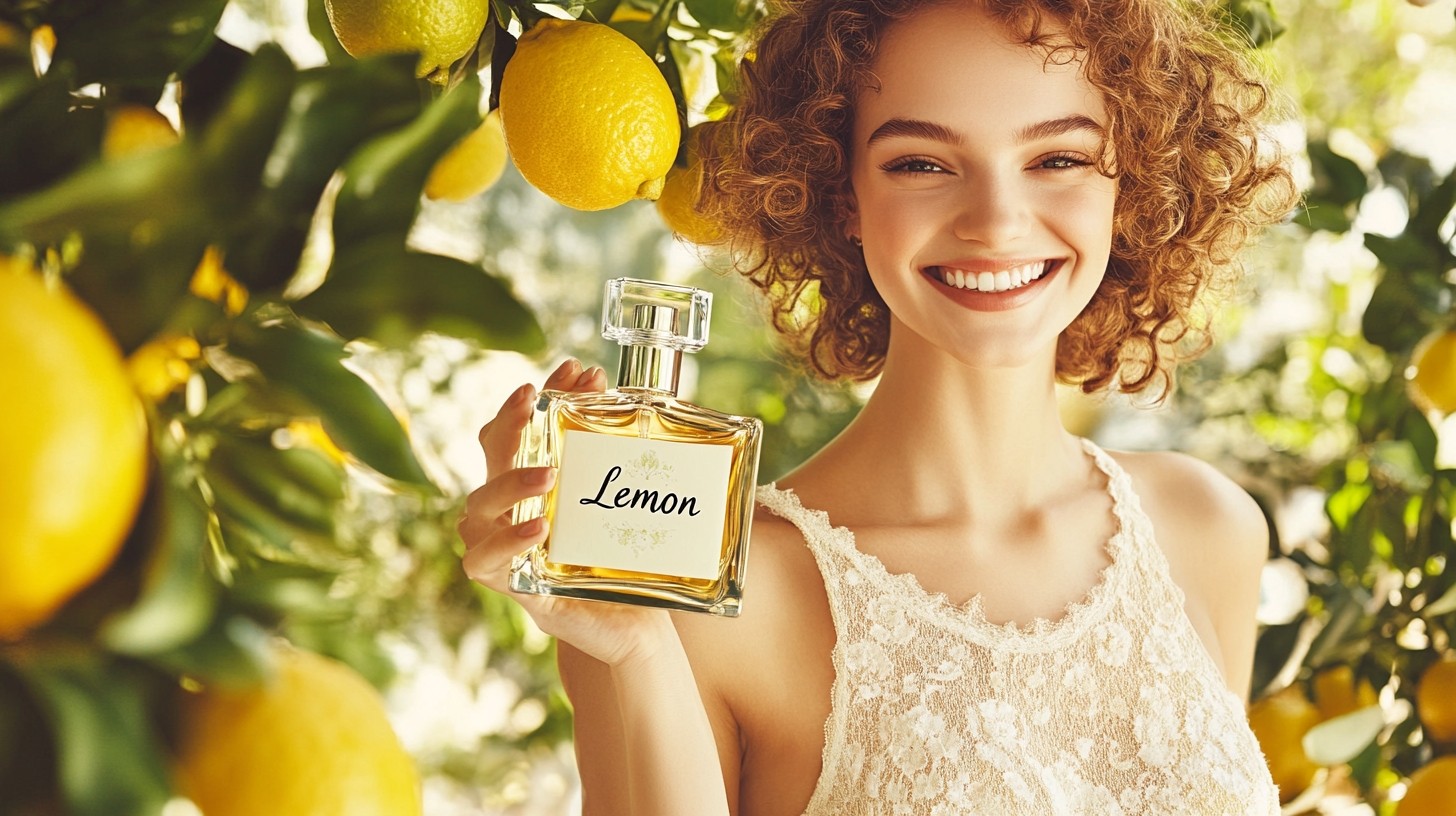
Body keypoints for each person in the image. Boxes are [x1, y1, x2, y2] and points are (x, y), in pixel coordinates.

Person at [459, 0, 1300, 812]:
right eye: (922, 163)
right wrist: (637, 649)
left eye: (1058, 159)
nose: (997, 223)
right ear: (842, 194)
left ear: (1135, 179)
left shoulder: (1209, 528)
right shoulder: (698, 595)